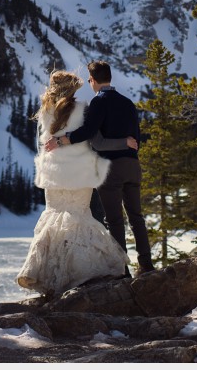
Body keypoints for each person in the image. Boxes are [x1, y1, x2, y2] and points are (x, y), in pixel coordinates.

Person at [16, 70, 130, 297]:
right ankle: (82, 273)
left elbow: (45, 144)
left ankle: (48, 276)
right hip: (79, 173)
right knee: (80, 217)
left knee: (54, 217)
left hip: (53, 175)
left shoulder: (45, 112)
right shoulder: (84, 108)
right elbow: (92, 138)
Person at [48, 60, 155, 275]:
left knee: (114, 221)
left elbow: (90, 135)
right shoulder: (128, 103)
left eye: (89, 80)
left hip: (110, 168)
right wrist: (127, 147)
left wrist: (61, 141)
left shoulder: (99, 102)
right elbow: (136, 138)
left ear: (93, 80)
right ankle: (146, 265)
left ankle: (121, 270)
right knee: (136, 217)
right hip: (133, 166)